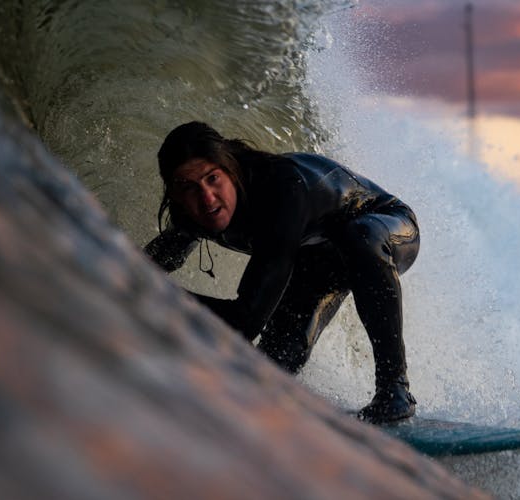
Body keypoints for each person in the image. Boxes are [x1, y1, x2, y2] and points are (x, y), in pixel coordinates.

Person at [144, 121, 420, 423]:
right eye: (189, 187)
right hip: (316, 259)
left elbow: (247, 321)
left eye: (213, 179)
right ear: (174, 193)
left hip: (384, 226)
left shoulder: (279, 188)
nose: (207, 198)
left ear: (230, 169)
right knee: (272, 365)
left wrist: (162, 297)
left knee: (361, 237)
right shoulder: (190, 214)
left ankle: (395, 389)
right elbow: (143, 268)